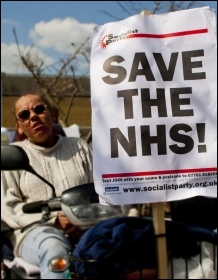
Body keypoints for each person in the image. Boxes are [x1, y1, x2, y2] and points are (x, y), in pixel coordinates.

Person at [1, 93, 93, 279]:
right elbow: (8, 208)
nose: (33, 116)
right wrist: (54, 220)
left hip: (85, 227)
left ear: (52, 114)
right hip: (34, 233)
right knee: (55, 250)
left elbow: (98, 192)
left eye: (39, 109)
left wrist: (81, 219)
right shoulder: (13, 155)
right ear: (19, 126)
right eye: (24, 115)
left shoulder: (79, 146)